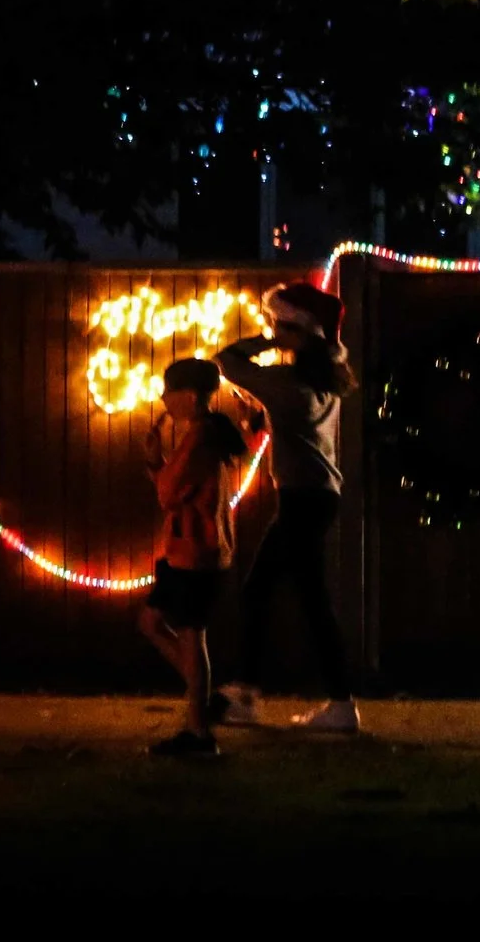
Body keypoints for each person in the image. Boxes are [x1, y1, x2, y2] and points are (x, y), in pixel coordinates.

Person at [214, 283, 359, 734]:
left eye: (280, 324)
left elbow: (227, 361)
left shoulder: (286, 382)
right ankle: (251, 691)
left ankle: (336, 703)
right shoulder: (322, 380)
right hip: (318, 496)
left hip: (300, 499)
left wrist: (268, 343)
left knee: (299, 598)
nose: (273, 330)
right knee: (279, 593)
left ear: (298, 331)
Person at [139, 356, 248, 757]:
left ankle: (199, 732)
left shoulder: (199, 438)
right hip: (192, 549)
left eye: (169, 391)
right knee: (151, 621)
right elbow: (174, 489)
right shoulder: (206, 435)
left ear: (188, 396)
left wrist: (154, 459)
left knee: (189, 634)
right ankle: (204, 701)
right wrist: (157, 463)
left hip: (193, 552)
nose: (164, 399)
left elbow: (168, 494)